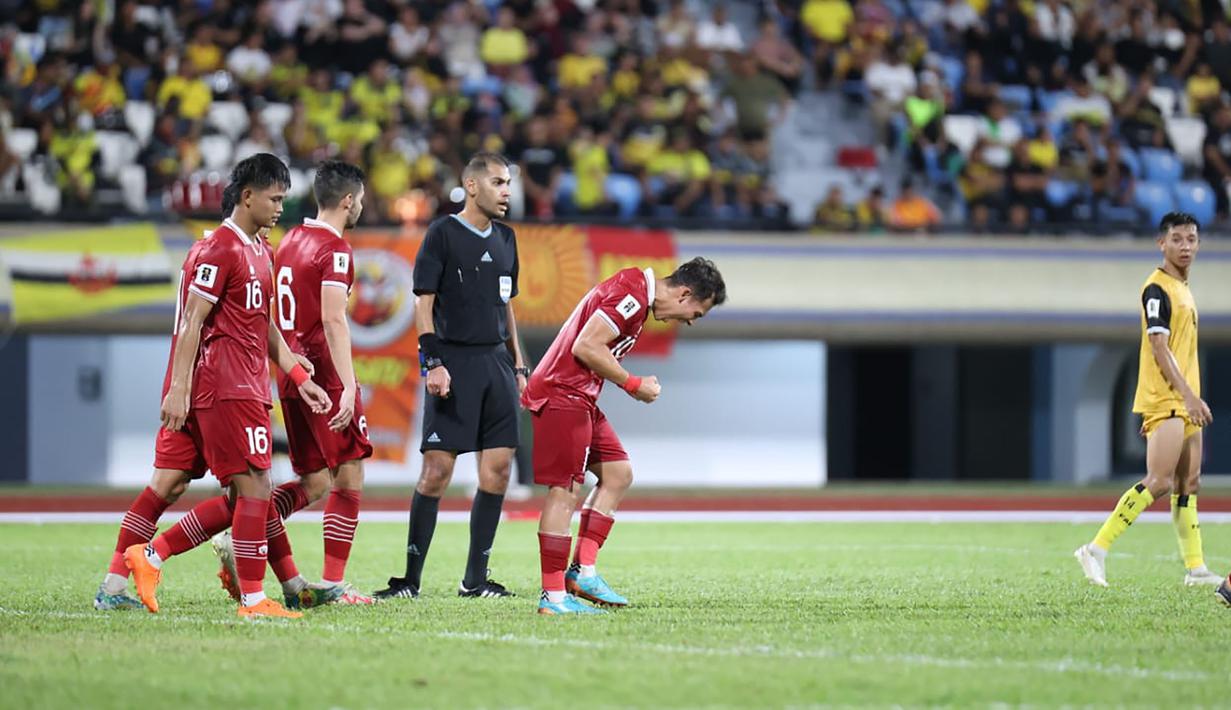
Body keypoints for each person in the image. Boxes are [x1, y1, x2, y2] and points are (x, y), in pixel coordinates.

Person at [92, 163, 324, 612]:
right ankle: (251, 595)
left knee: (169, 485)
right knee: (253, 487)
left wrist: (296, 374)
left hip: (211, 385)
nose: (281, 207)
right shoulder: (220, 248)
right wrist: (179, 388)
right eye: (275, 199)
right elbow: (191, 321)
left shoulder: (259, 248)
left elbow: (261, 323)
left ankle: (116, 584)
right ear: (248, 196)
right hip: (224, 386)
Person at [212, 161, 376, 608]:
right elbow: (333, 318)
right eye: (361, 199)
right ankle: (333, 585)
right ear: (348, 200)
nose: (361, 207)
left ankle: (244, 534)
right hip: (322, 375)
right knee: (349, 473)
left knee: (314, 480)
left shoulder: (290, 240)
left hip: (292, 375)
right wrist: (347, 385)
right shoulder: (335, 249)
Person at [524, 257, 726, 614]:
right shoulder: (630, 293)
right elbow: (586, 346)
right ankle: (553, 598)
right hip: (562, 394)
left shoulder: (636, 296)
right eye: (697, 312)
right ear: (684, 294)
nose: (692, 321)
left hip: (580, 396)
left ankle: (582, 573)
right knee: (565, 491)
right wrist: (633, 384)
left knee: (618, 473)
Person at [375, 153, 528, 600]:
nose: (506, 191)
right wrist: (433, 363)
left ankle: (475, 581)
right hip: (453, 363)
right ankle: (410, 580)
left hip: (497, 364)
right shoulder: (442, 233)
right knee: (437, 471)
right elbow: (423, 304)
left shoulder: (507, 238)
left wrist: (519, 366)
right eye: (498, 182)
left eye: (508, 183)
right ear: (472, 186)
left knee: (497, 471)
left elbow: (506, 306)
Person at [1075, 212, 1218, 589]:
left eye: (1191, 239)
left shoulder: (1183, 288)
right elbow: (1158, 345)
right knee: (1159, 481)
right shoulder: (1156, 288)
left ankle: (1196, 569)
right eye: (1177, 239)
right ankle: (1096, 548)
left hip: (1183, 398)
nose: (1185, 246)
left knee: (1189, 482)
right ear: (1161, 243)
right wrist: (1188, 396)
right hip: (1169, 397)